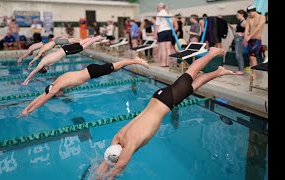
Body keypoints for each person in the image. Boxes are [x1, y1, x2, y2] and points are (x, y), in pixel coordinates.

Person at [95, 47, 237, 179]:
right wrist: (100, 173)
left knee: (190, 75)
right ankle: (219, 71)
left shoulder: (129, 143)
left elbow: (119, 167)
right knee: (191, 87)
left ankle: (212, 52)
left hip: (166, 101)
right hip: (159, 98)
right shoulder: (118, 137)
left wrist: (108, 176)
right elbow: (106, 162)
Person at [18, 57, 149, 117]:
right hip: (90, 69)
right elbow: (42, 96)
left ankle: (136, 60)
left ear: (54, 91)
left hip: (93, 72)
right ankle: (135, 60)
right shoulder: (57, 81)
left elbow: (43, 100)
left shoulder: (58, 87)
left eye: (56, 95)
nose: (60, 96)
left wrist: (30, 111)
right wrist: (26, 109)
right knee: (114, 68)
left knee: (117, 65)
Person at [21, 35, 103, 85]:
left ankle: (96, 39)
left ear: (44, 68)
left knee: (83, 47)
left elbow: (34, 72)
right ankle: (94, 38)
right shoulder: (46, 61)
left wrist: (27, 80)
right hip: (65, 49)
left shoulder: (42, 63)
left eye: (46, 69)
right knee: (81, 43)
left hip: (67, 51)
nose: (48, 69)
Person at [243, 5, 266, 79]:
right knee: (251, 58)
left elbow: (258, 28)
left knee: (253, 57)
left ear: (253, 11)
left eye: (249, 13)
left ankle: (254, 74)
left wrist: (250, 36)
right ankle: (253, 73)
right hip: (250, 41)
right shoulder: (248, 18)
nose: (249, 15)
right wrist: (245, 38)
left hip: (257, 40)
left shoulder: (261, 17)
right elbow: (246, 29)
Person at [229, 9, 247, 75]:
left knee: (239, 55)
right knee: (237, 55)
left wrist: (242, 34)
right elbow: (237, 30)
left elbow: (249, 30)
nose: (237, 16)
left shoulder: (244, 22)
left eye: (238, 15)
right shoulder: (240, 21)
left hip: (240, 39)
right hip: (237, 39)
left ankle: (241, 70)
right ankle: (240, 69)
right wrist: (232, 27)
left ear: (242, 14)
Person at [154, 2, 173, 67]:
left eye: (157, 8)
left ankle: (163, 63)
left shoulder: (159, 14)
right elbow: (171, 23)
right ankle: (168, 63)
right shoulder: (169, 13)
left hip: (162, 31)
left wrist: (155, 34)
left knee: (163, 48)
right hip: (169, 31)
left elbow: (157, 25)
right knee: (168, 48)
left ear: (159, 7)